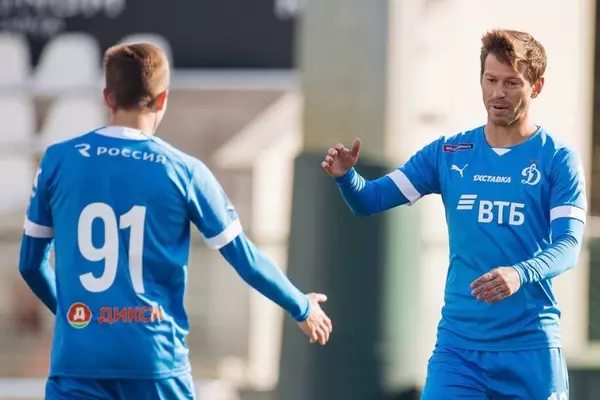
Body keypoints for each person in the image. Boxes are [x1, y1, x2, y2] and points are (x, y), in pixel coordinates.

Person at [18, 42, 332, 400]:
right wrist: (300, 306)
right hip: (156, 363)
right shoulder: (184, 171)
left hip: (78, 365)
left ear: (107, 97)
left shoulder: (57, 160)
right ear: (163, 99)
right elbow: (244, 258)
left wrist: (77, 320)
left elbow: (30, 265)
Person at [322, 29, 584, 399]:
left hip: (531, 352)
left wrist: (518, 273)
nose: (498, 92)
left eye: (512, 83)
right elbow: (369, 200)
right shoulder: (448, 153)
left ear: (536, 87)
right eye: (491, 80)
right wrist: (346, 177)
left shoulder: (557, 158)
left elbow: (569, 245)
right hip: (459, 353)